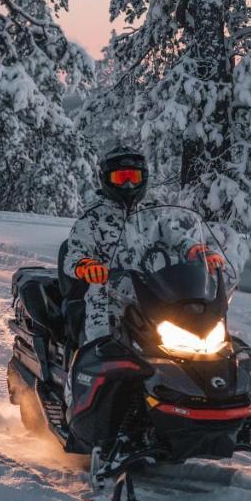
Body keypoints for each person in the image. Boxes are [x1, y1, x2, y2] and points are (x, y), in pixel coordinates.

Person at [60, 143, 150, 348]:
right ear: (107, 180)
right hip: (108, 295)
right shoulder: (92, 219)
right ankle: (92, 371)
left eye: (133, 177)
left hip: (151, 294)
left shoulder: (153, 218)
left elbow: (177, 240)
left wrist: (196, 251)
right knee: (103, 346)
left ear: (143, 178)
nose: (128, 184)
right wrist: (86, 266)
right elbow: (73, 256)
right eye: (121, 178)